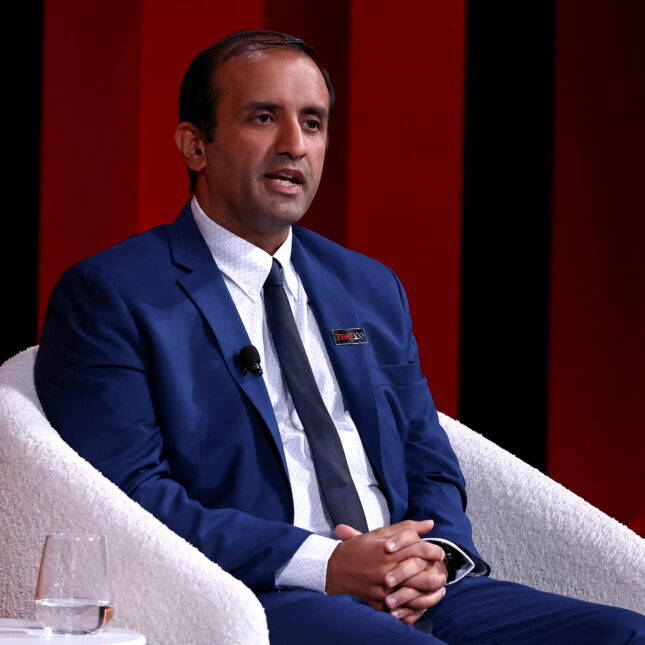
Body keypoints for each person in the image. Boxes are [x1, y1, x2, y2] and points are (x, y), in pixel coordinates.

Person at [34, 30, 644, 644]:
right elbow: (128, 497)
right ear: (195, 145)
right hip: (265, 594)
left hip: (415, 591)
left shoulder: (369, 286)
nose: (294, 146)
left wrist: (435, 554)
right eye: (263, 117)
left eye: (314, 122)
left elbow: (425, 451)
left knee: (626, 636)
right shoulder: (112, 294)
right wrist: (323, 565)